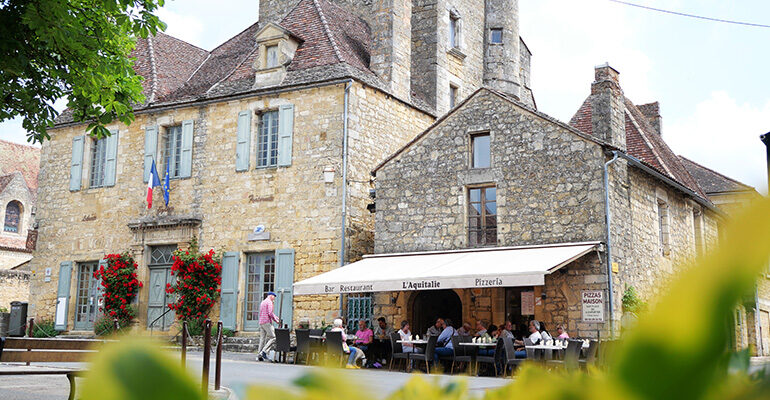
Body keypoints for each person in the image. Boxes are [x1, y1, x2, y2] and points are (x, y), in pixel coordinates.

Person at [257, 291, 279, 362]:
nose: (274, 299)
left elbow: (263, 312)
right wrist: (276, 320)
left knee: (262, 339)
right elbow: (270, 313)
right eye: (274, 297)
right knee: (273, 337)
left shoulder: (263, 302)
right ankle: (264, 351)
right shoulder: (269, 302)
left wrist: (276, 317)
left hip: (261, 322)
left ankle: (259, 355)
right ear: (271, 296)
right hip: (267, 322)